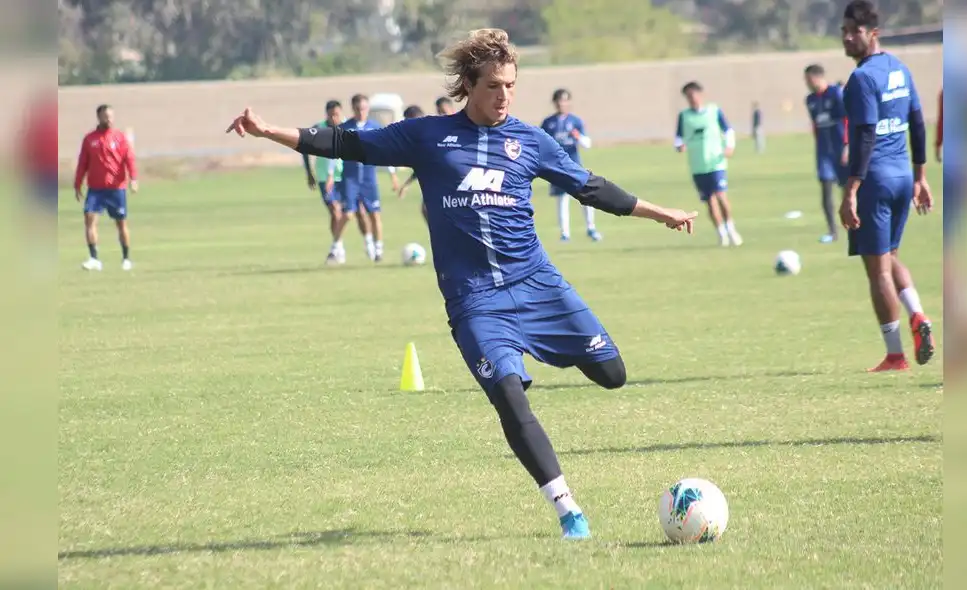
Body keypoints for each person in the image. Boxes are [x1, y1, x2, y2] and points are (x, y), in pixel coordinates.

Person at [226, 28, 698, 540]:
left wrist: (659, 213)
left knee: (613, 374)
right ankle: (569, 512)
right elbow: (345, 143)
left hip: (539, 285)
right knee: (509, 396)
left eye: (511, 86)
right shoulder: (428, 137)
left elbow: (590, 187)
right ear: (469, 85)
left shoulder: (529, 140)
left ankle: (534, 348)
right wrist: (268, 130)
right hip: (476, 302)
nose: (504, 96)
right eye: (494, 85)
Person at [838, 0, 934, 372]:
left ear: (872, 33)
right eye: (844, 32)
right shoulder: (899, 68)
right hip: (901, 177)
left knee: (876, 270)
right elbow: (918, 122)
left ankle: (895, 355)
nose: (848, 38)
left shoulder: (862, 78)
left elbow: (863, 135)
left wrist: (851, 190)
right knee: (890, 257)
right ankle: (919, 317)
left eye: (855, 32)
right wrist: (921, 176)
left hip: (875, 181)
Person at [675, 82, 742, 247]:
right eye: (688, 97)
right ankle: (721, 233)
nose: (692, 99)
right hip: (698, 165)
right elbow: (678, 137)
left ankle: (731, 228)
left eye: (693, 95)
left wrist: (729, 146)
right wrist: (679, 145)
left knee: (721, 196)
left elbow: (728, 130)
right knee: (709, 201)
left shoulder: (714, 111)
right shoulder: (684, 116)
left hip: (716, 162)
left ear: (700, 95)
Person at [74, 104, 138, 271]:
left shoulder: (120, 137)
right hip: (95, 189)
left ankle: (126, 258)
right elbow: (83, 163)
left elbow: (129, 159)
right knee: (89, 219)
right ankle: (94, 258)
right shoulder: (89, 139)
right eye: (105, 116)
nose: (109, 119)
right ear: (99, 117)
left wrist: (134, 178)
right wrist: (77, 183)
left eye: (111, 116)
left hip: (116, 188)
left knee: (121, 223)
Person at [340, 94, 401, 262]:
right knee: (354, 213)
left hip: (369, 177)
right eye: (358, 109)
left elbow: (386, 151)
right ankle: (366, 244)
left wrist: (393, 175)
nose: (361, 112)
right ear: (353, 109)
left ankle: (379, 249)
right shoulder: (345, 128)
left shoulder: (375, 127)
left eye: (364, 108)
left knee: (374, 214)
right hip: (350, 177)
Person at [541, 89, 601, 242]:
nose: (563, 104)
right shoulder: (548, 123)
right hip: (557, 167)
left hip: (575, 165)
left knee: (586, 197)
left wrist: (578, 136)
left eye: (566, 100)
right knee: (562, 199)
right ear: (555, 103)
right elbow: (541, 144)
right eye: (560, 100)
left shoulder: (575, 121)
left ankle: (591, 228)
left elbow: (587, 144)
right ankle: (565, 233)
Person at [804, 64, 850, 243]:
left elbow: (847, 119)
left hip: (841, 148)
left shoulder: (836, 93)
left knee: (847, 190)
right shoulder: (810, 100)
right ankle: (832, 232)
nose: (807, 83)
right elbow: (815, 124)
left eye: (808, 79)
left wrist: (848, 144)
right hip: (824, 152)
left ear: (817, 77)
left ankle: (854, 226)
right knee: (825, 189)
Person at [303, 100, 346, 264]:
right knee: (335, 211)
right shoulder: (319, 128)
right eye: (332, 114)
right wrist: (310, 172)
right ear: (326, 114)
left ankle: (343, 245)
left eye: (338, 114)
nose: (335, 117)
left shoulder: (346, 126)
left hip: (343, 176)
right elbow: (305, 147)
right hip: (324, 177)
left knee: (346, 213)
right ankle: (338, 247)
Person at [397, 105, 430, 223]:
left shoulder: (430, 135)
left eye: (408, 121)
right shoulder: (419, 137)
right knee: (426, 210)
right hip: (435, 183)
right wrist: (407, 184)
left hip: (448, 183)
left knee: (428, 210)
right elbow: (423, 164)